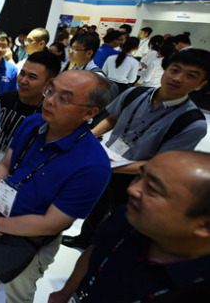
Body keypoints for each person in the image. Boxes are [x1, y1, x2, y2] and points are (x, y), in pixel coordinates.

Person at [0, 70, 112, 303]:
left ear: (89, 113)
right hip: (1, 213)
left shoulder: (93, 165)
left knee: (19, 289)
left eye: (64, 98)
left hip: (33, 239)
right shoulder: (33, 123)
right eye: (51, 90)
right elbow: (6, 165)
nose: (49, 100)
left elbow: (51, 224)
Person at [63, 48, 209, 250]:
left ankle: (105, 251)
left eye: (191, 76)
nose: (178, 78)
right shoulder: (135, 93)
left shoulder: (192, 123)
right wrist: (87, 137)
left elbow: (160, 164)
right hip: (108, 160)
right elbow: (112, 119)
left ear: (201, 84)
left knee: (123, 219)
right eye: (175, 70)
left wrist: (108, 166)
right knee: (97, 205)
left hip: (139, 176)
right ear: (165, 69)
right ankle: (84, 239)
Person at [50, 151, 210, 303]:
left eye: (153, 189)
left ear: (204, 226)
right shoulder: (128, 217)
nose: (132, 189)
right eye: (139, 177)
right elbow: (95, 251)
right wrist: (64, 293)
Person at [0, 50, 63, 248]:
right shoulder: (6, 98)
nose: (23, 80)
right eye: (22, 73)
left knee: (5, 219)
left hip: (17, 181)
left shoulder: (48, 115)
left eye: (32, 77)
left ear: (49, 83)